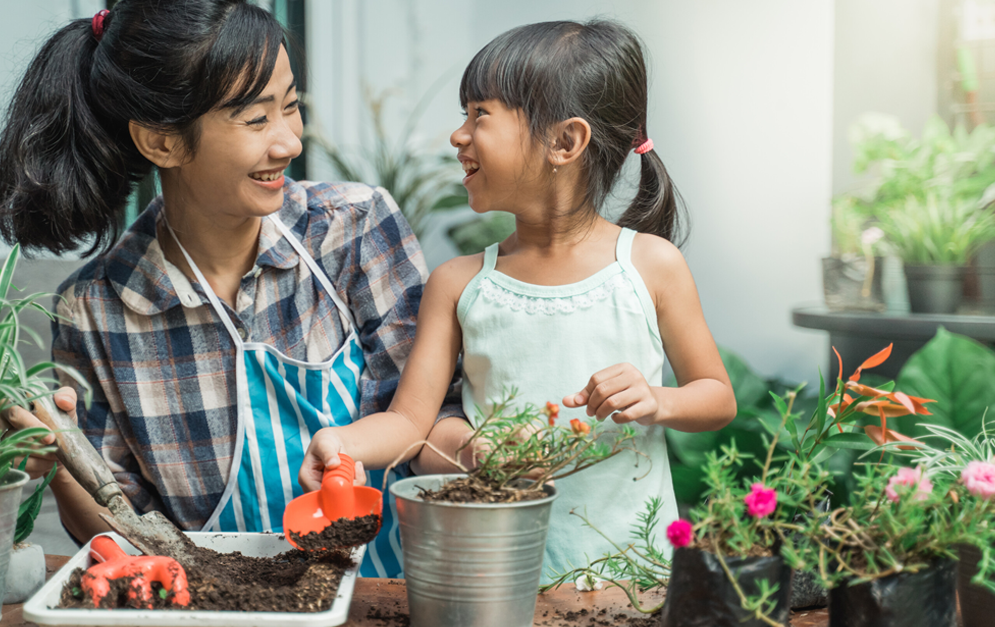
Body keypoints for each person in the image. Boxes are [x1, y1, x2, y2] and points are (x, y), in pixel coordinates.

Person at [0, 0, 454, 578]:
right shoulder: (96, 310)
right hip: (217, 604)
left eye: (291, 107)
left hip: (388, 593)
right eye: (257, 120)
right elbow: (124, 528)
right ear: (162, 142)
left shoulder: (352, 229)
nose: (288, 143)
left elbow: (432, 415)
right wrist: (57, 459)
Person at [299, 20, 737, 579]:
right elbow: (410, 422)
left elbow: (718, 397)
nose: (458, 136)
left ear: (565, 142)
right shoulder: (458, 283)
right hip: (497, 577)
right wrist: (341, 442)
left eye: (480, 114)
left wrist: (658, 400)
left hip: (633, 578)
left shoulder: (649, 266)